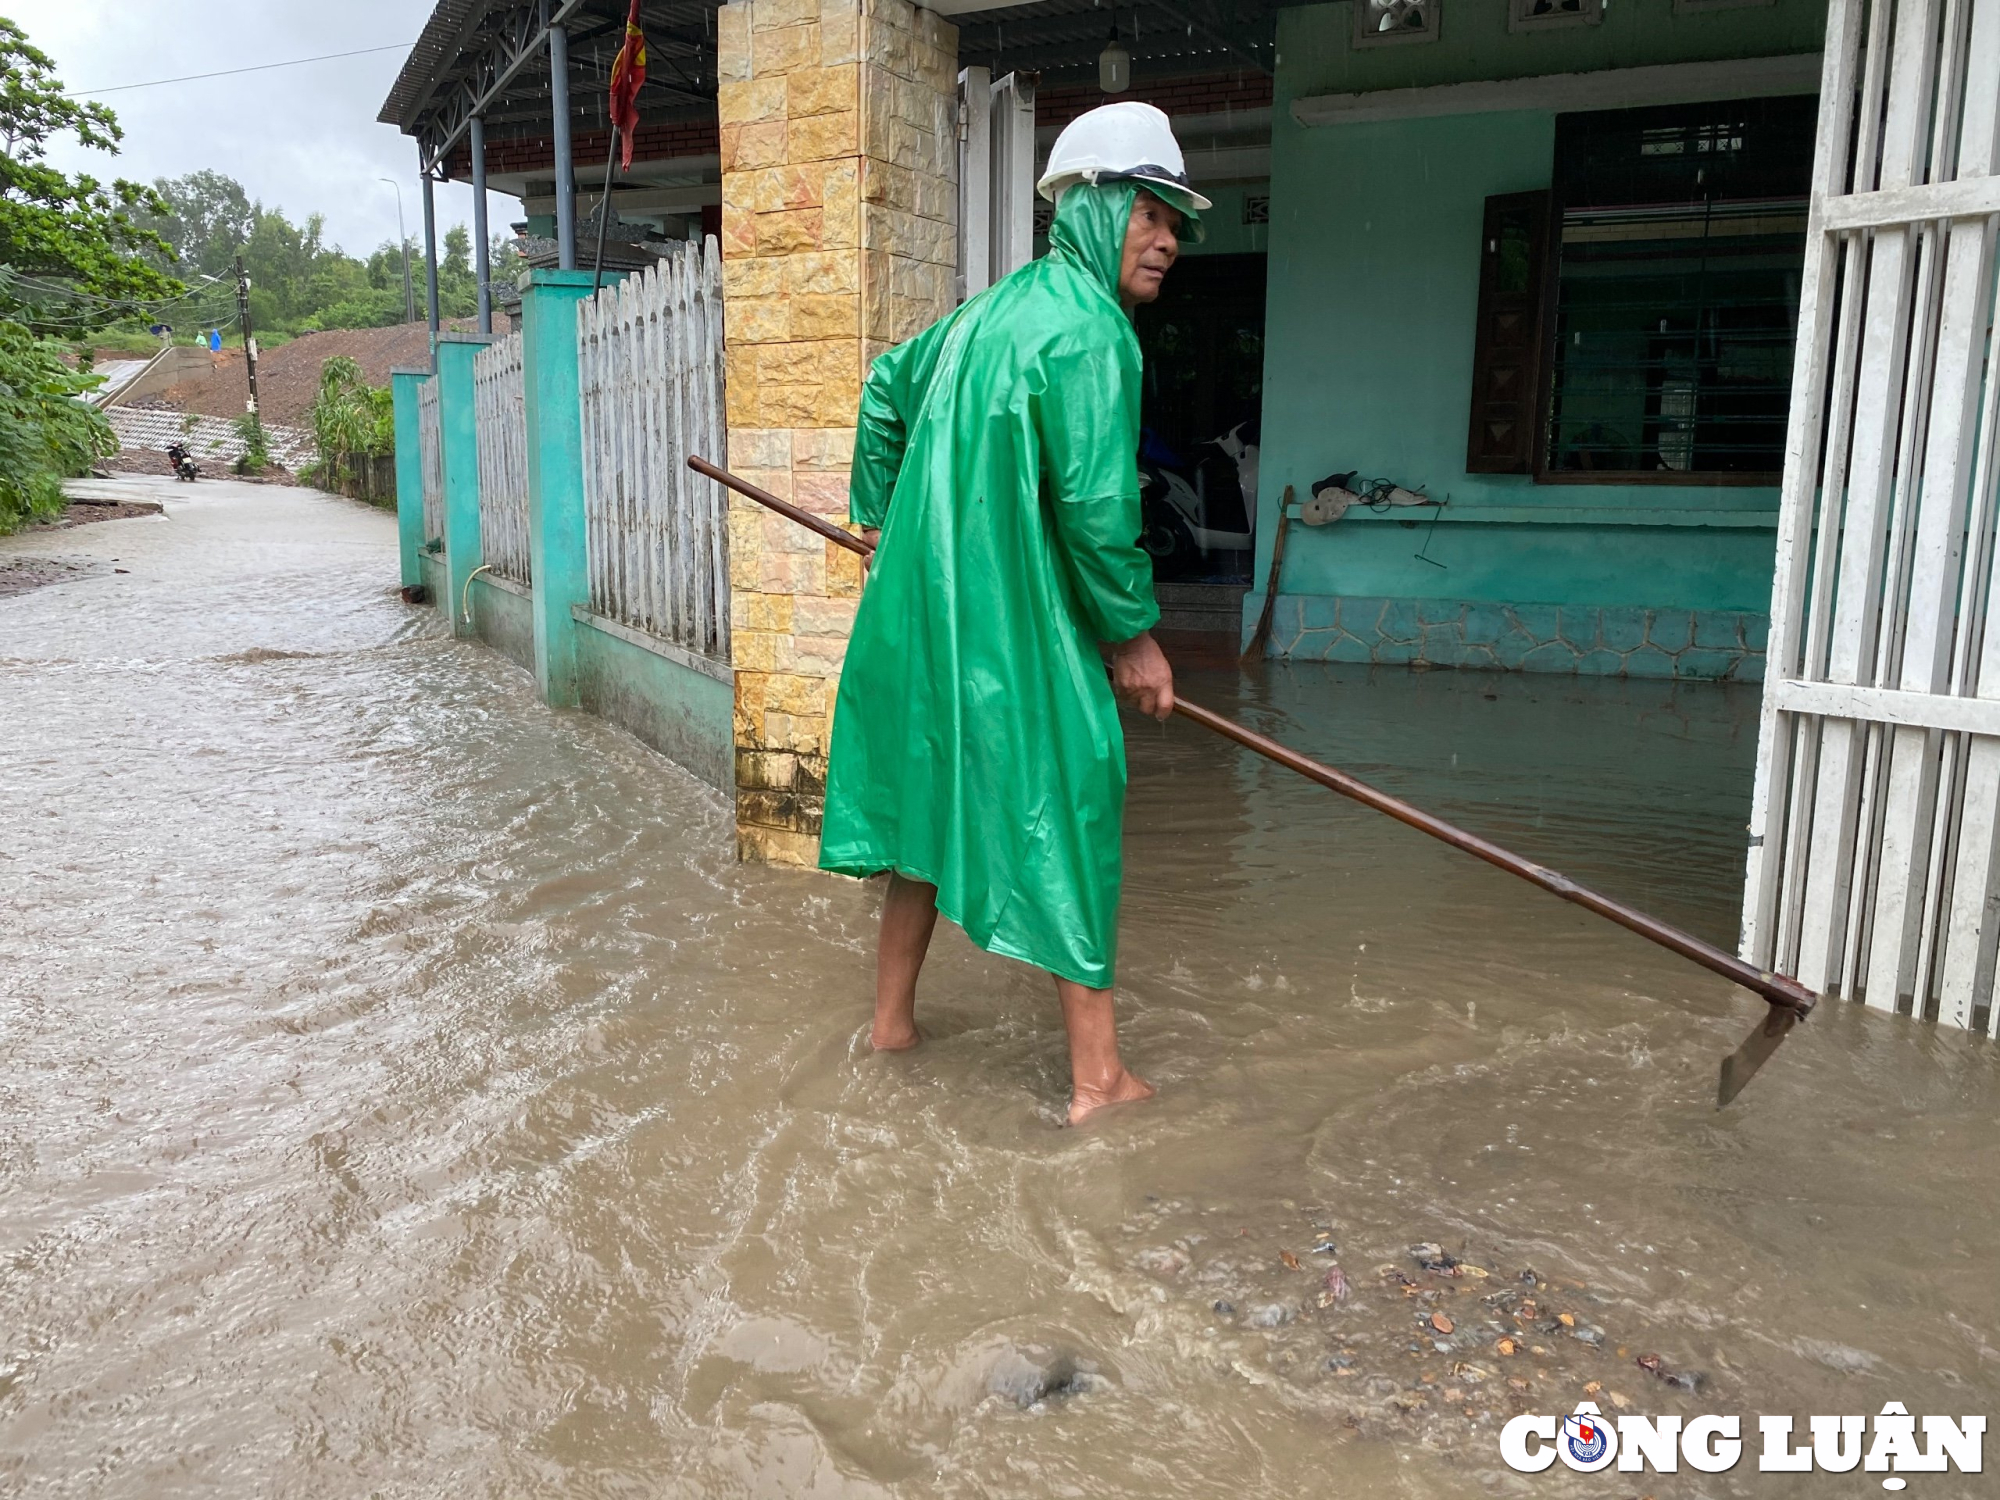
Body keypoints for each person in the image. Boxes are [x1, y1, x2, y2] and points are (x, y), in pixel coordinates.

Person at [818, 103, 1211, 1124]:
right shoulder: (1090, 335)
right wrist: (1131, 639)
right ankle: (1097, 1083)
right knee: (1071, 802)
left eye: (1175, 222)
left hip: (920, 625)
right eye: (1151, 213)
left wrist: (877, 521)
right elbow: (1094, 514)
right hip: (1006, 631)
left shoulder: (987, 314)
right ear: (1092, 204)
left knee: (918, 814)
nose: (1168, 240)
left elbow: (881, 390)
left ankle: (890, 1027)